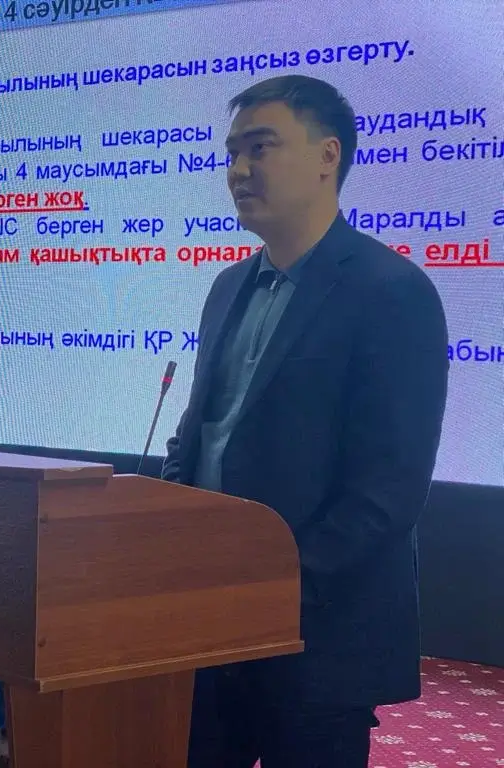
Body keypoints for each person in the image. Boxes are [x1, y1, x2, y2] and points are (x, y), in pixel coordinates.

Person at [161, 74, 449, 766]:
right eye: (232, 152)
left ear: (327, 156)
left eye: (260, 147)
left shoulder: (392, 291)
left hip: (320, 634)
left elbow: (389, 490)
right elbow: (201, 435)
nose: (238, 170)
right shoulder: (228, 286)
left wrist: (276, 585)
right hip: (206, 625)